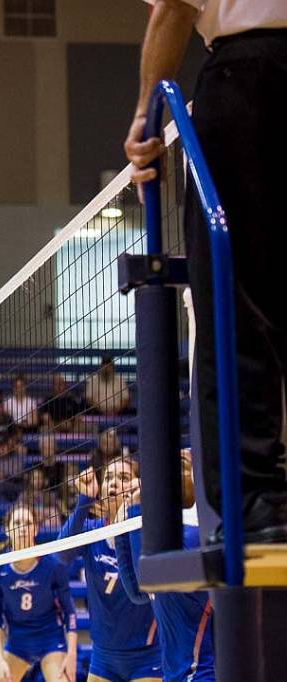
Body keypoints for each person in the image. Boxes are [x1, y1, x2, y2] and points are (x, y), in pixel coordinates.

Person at [124, 0, 287, 542]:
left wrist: (145, 115)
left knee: (233, 300)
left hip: (249, 80)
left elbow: (174, 8)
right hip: (253, 76)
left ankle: (255, 500)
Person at [58, 460, 162, 682]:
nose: (113, 483)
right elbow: (61, 557)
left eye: (123, 478)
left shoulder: (150, 531)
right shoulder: (91, 531)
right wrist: (84, 500)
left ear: (137, 484)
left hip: (147, 655)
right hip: (103, 657)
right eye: (108, 478)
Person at [115, 450, 215, 681]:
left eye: (181, 465)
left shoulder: (196, 535)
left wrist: (135, 510)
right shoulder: (169, 532)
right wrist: (124, 524)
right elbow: (136, 592)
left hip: (200, 674)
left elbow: (146, 580)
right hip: (177, 674)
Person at [0, 506, 77, 682]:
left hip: (50, 640)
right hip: (18, 643)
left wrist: (71, 654)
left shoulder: (53, 564)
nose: (22, 528)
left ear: (35, 529)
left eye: (28, 523)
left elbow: (69, 611)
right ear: (7, 530)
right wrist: (0, 658)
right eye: (17, 523)